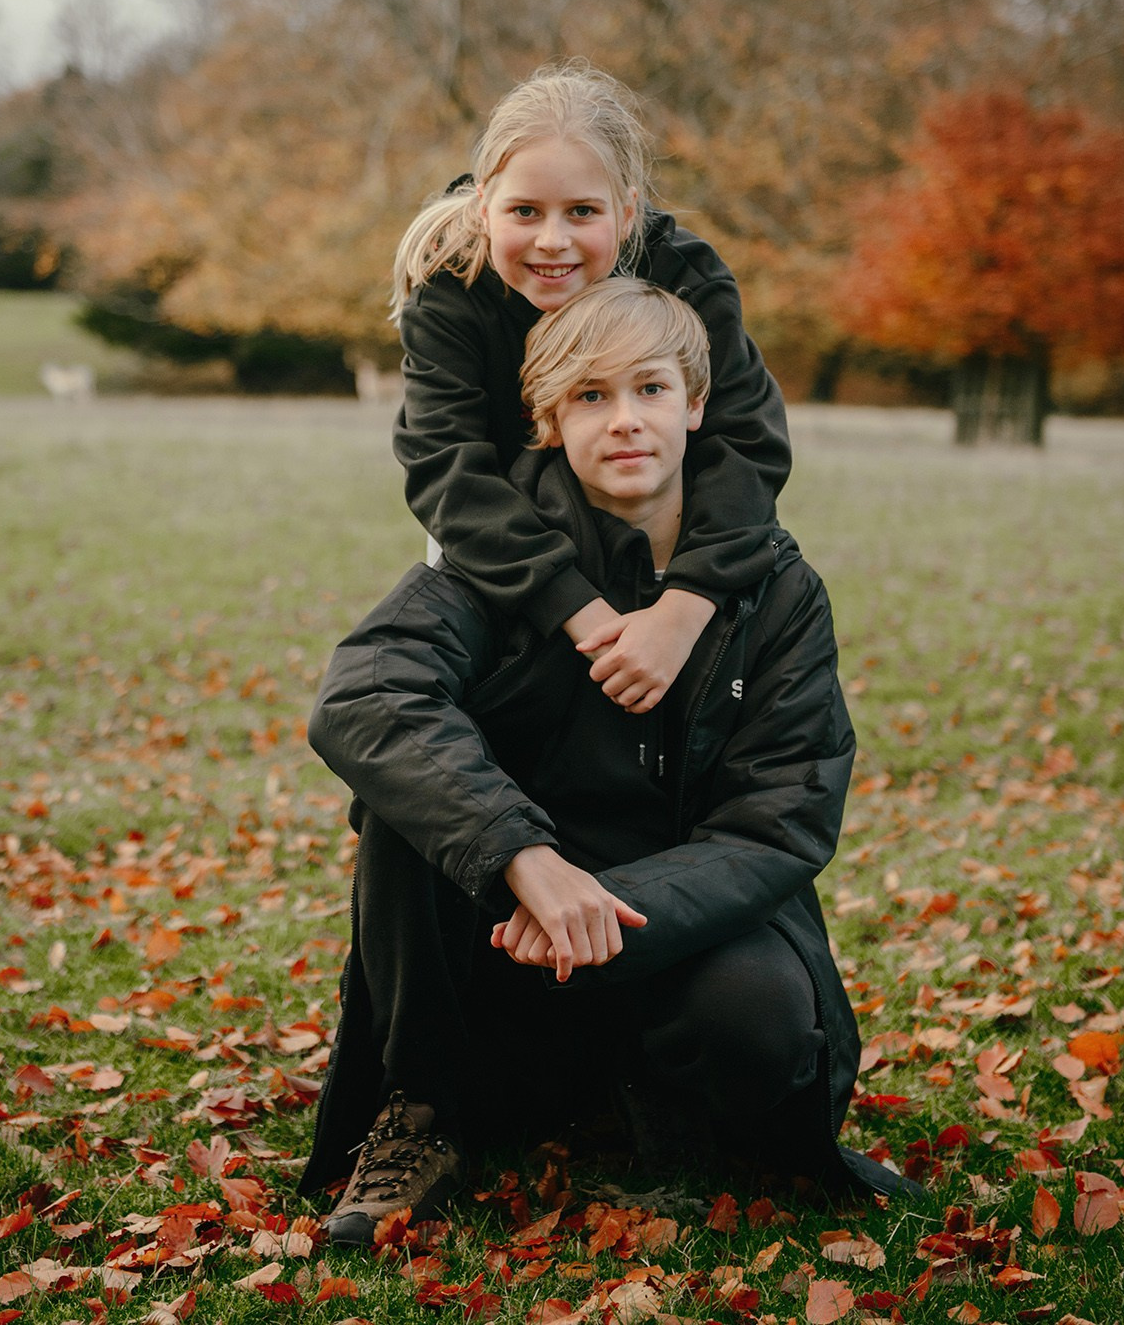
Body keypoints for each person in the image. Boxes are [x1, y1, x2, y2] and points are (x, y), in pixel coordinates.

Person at [300, 280, 915, 1242]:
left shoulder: (778, 591)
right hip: (506, 936)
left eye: (649, 389)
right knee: (402, 802)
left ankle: (648, 1107)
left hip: (676, 928)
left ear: (695, 404)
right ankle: (424, 1112)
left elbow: (782, 818)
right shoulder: (489, 568)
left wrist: (604, 910)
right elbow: (364, 696)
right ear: (547, 423)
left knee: (757, 1018)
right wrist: (526, 862)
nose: (625, 419)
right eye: (590, 395)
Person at [391, 62, 790, 718]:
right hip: (504, 546)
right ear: (485, 205)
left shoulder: (686, 277)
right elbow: (446, 468)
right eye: (525, 211)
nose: (553, 241)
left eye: (582, 211)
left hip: (663, 545)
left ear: (627, 212)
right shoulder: (449, 292)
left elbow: (747, 444)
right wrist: (582, 615)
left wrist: (681, 614)